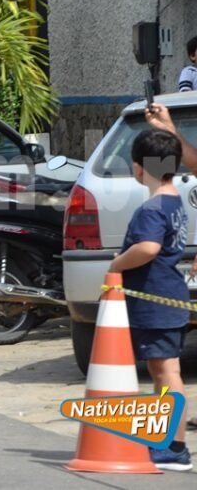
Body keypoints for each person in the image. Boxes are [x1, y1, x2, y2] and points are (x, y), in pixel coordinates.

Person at [107, 128, 191, 471]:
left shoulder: (151, 209)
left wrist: (116, 264)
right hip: (169, 296)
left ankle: (174, 446)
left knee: (166, 373)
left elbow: (148, 248)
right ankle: (166, 440)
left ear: (140, 167)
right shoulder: (174, 201)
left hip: (157, 301)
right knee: (166, 372)